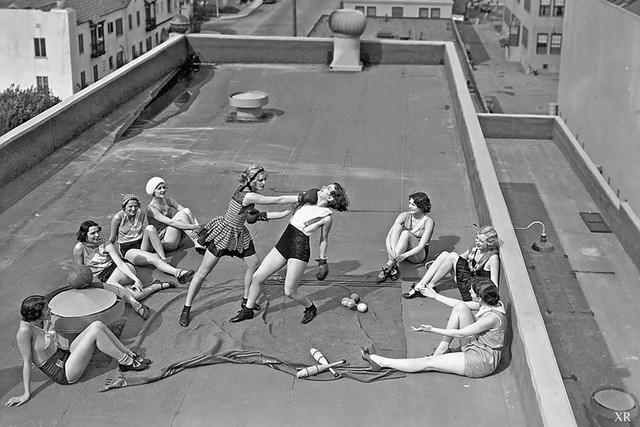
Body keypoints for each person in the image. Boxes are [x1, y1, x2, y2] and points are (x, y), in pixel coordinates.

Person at [179, 164, 304, 327]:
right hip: (224, 233)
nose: (264, 183)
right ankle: (186, 308)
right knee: (203, 272)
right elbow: (275, 200)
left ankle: (246, 301)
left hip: (239, 233)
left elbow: (259, 215)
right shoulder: (249, 196)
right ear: (251, 180)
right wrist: (300, 197)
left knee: (254, 264)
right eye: (260, 180)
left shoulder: (247, 190)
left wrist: (287, 211)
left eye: (265, 180)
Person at [230, 183, 350, 325]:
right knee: (257, 277)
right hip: (284, 243)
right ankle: (247, 310)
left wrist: (323, 261)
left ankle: (310, 307)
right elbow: (284, 210)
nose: (323, 186)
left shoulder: (326, 217)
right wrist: (262, 216)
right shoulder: (307, 199)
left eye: (328, 188)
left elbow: (324, 240)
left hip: (299, 250)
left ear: (330, 197)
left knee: (290, 291)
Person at [5, 295, 150, 407]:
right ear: (36, 313)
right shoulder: (24, 331)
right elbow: (26, 362)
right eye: (46, 309)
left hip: (65, 356)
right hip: (62, 372)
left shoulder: (40, 322)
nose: (50, 310)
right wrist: (25, 394)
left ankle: (128, 354)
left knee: (97, 325)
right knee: (95, 333)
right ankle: (126, 362)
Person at [360, 276, 506, 378]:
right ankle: (441, 350)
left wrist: (432, 329)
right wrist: (435, 296)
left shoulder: (491, 318)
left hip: (480, 361)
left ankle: (381, 362)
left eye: (472, 291)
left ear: (479, 298)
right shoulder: (491, 303)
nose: (469, 292)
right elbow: (458, 305)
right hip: (478, 345)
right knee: (461, 307)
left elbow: (461, 334)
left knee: (428, 363)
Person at [74, 220, 173, 319]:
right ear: (85, 235)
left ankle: (135, 305)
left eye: (98, 231)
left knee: (113, 285)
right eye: (92, 233)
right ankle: (157, 286)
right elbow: (82, 270)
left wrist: (135, 279)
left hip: (121, 270)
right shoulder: (79, 248)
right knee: (135, 295)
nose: (97, 235)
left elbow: (120, 264)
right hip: (103, 277)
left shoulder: (106, 245)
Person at [108, 194, 195, 285]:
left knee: (150, 228)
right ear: (124, 207)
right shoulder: (118, 218)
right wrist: (106, 253)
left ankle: (163, 258)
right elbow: (112, 238)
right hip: (128, 249)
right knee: (153, 257)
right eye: (130, 206)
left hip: (141, 244)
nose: (133, 209)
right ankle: (178, 273)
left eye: (135, 206)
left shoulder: (140, 213)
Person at [403, 225, 499, 301]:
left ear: (489, 243)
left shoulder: (492, 258)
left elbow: (494, 285)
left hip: (472, 292)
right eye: (477, 238)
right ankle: (425, 285)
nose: (477, 242)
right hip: (466, 279)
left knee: (452, 255)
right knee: (445, 255)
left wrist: (484, 300)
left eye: (481, 241)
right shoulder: (475, 249)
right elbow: (461, 258)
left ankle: (426, 286)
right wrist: (439, 263)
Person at [376, 192, 434, 283]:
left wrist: (404, 255)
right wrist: (390, 250)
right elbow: (389, 236)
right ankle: (394, 265)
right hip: (400, 251)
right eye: (410, 203)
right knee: (397, 227)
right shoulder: (404, 216)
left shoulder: (428, 222)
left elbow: (421, 246)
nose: (410, 206)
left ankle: (389, 265)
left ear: (421, 206)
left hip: (417, 254)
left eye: (413, 205)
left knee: (405, 233)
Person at [145, 177, 204, 253]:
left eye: (164, 187)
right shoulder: (151, 209)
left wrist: (196, 225)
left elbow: (184, 210)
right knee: (181, 216)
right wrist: (191, 226)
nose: (162, 190)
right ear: (153, 191)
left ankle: (198, 235)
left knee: (186, 210)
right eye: (159, 188)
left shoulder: (168, 200)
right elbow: (171, 222)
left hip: (175, 236)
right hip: (165, 241)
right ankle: (197, 241)